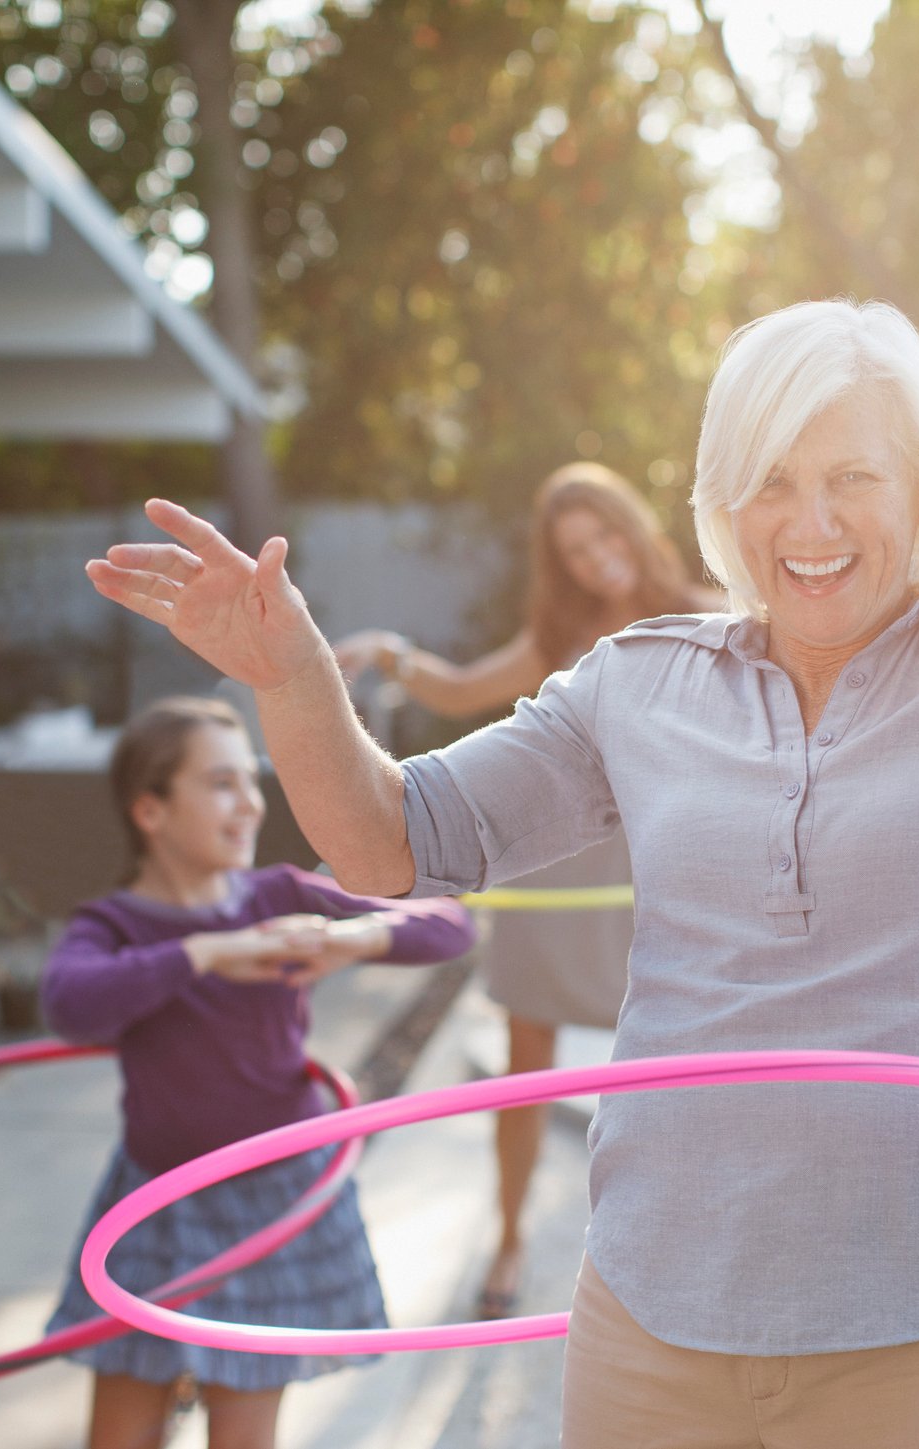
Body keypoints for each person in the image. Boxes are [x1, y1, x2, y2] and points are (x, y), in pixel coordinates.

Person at [85, 299, 919, 1448]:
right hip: (652, 1330)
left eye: (851, 474)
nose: (807, 519)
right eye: (771, 479)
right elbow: (393, 842)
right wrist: (295, 679)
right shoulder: (636, 686)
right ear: (722, 501)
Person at [331, 462, 720, 1318]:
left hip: (653, 874)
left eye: (605, 536)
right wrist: (387, 657)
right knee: (525, 1061)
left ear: (633, 524)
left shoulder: (711, 611)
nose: (596, 560)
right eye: (575, 551)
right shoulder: (562, 637)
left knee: (674, 1066)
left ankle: (680, 1246)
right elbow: (462, 687)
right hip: (555, 870)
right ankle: (508, 1238)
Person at [40, 696, 474, 1449]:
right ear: (151, 809)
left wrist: (357, 941)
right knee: (118, 1431)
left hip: (272, 1196)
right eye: (220, 784)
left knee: (242, 1433)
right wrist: (205, 954)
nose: (250, 803)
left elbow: (447, 922)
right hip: (155, 1195)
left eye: (251, 781)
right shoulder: (115, 927)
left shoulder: (279, 895)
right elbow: (70, 1003)